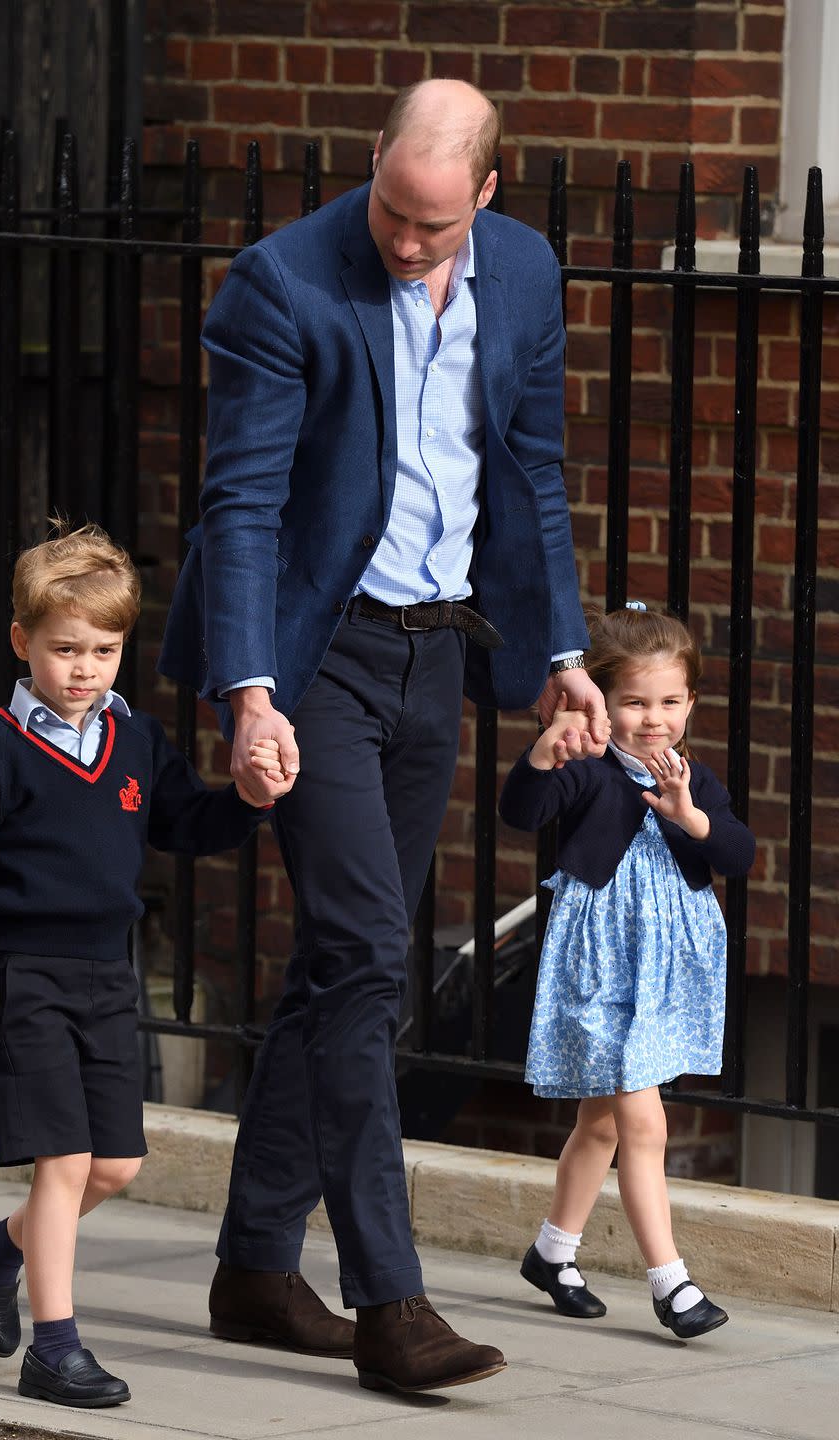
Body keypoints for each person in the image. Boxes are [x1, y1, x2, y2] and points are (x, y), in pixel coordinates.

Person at [159, 78, 607, 1393]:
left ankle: (251, 1265)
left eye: (434, 227)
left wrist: (562, 656)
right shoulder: (282, 284)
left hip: (436, 654)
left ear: (488, 190)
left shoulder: (521, 274)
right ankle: (390, 1302)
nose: (406, 247)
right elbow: (241, 505)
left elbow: (531, 472)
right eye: (392, 215)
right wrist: (249, 691)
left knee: (344, 964)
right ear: (374, 166)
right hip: (315, 660)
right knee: (364, 959)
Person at [0, 522, 287, 1409]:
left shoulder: (137, 740)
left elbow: (183, 825)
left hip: (105, 978)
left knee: (116, 1167)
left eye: (105, 650)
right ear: (23, 643)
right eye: (64, 649)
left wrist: (246, 799)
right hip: (24, 978)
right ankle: (56, 1345)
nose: (84, 668)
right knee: (66, 1162)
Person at [499, 605, 755, 1338]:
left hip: (666, 972)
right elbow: (522, 811)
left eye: (670, 702)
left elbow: (739, 855)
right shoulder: (585, 771)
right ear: (602, 702)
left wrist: (691, 816)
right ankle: (671, 1285)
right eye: (635, 702)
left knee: (603, 1122)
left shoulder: (695, 779)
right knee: (644, 1123)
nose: (653, 719)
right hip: (602, 969)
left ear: (691, 704)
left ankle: (553, 1252)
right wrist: (545, 754)